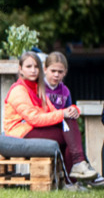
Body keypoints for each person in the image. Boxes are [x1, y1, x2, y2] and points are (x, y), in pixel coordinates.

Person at [4, 51, 98, 189]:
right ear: (20, 69)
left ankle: (74, 174)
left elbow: (53, 111)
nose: (33, 70)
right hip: (20, 131)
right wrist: (63, 114)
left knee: (68, 122)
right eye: (28, 66)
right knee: (67, 133)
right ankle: (75, 172)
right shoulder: (18, 90)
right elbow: (34, 119)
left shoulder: (38, 88)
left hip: (32, 128)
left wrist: (73, 110)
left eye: (36, 67)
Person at [44, 52, 103, 188]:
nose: (56, 75)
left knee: (70, 139)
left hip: (62, 128)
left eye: (60, 72)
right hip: (46, 127)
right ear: (45, 69)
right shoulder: (40, 88)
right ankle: (83, 169)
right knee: (71, 140)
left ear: (65, 72)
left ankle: (73, 181)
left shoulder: (65, 91)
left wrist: (74, 110)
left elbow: (69, 108)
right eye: (53, 71)